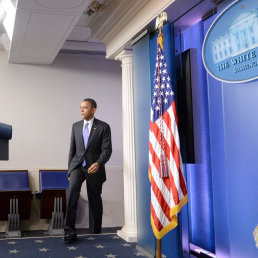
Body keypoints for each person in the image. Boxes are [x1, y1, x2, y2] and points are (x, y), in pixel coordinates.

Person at [63, 98, 112, 243]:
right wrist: (69, 170)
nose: (81, 110)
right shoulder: (76, 126)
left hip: (94, 167)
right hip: (77, 166)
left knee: (94, 199)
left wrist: (98, 163)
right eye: (80, 107)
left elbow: (107, 150)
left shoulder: (103, 127)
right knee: (72, 194)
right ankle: (69, 231)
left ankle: (95, 232)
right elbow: (72, 150)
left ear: (93, 110)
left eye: (85, 108)